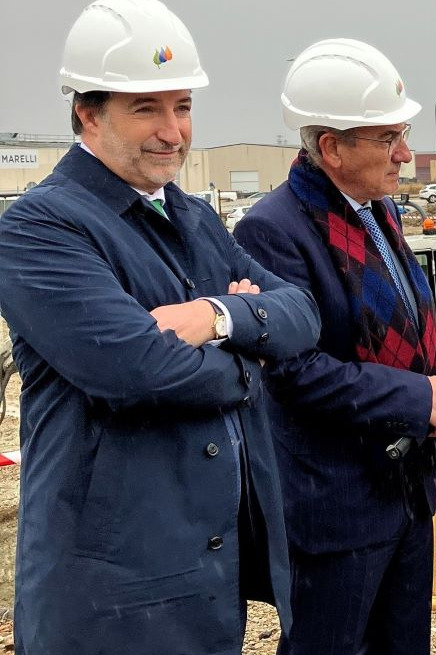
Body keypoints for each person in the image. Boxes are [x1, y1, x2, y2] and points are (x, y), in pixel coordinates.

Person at [0, 1, 322, 654]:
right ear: (87, 113)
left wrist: (215, 316)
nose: (173, 131)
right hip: (108, 603)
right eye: (147, 108)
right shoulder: (41, 227)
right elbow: (136, 369)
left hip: (205, 583)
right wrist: (249, 355)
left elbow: (304, 314)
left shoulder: (194, 218)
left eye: (182, 106)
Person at [232, 38, 436, 655]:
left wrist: (429, 454)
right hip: (334, 509)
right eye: (388, 138)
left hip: (402, 491)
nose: (405, 154)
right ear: (331, 147)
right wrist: (417, 400)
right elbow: (293, 371)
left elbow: (413, 336)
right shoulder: (273, 230)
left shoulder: (376, 212)